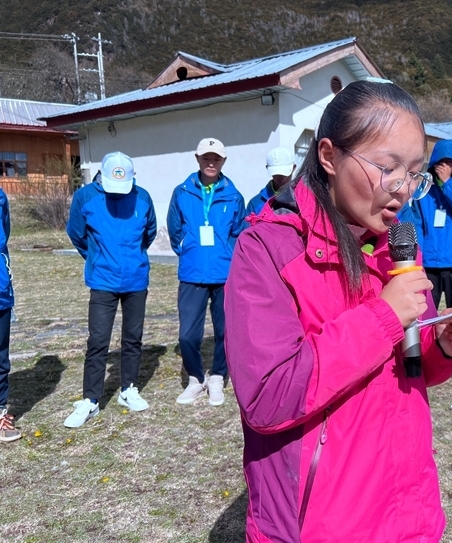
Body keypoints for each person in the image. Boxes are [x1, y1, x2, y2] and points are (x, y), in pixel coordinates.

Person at [224, 80, 452, 543]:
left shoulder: (398, 247)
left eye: (414, 174)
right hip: (319, 535)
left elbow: (411, 368)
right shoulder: (266, 250)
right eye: (387, 168)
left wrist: (445, 346)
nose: (403, 189)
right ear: (328, 155)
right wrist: (383, 316)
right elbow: (267, 396)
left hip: (400, 512)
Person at [64, 152, 157, 428]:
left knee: (133, 337)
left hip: (135, 279)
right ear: (101, 177)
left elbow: (149, 233)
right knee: (98, 340)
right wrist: (96, 256)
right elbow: (76, 233)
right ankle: (91, 399)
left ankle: (128, 389)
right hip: (102, 280)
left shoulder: (143, 197)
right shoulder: (85, 197)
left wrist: (132, 257)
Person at [398, 139, 452, 389]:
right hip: (430, 263)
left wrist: (447, 183)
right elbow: (414, 221)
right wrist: (418, 256)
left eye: (449, 162)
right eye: (440, 162)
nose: (444, 166)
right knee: (425, 315)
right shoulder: (424, 189)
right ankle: (424, 358)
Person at [167, 138, 246, 406]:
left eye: (216, 159)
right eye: (206, 158)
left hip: (224, 274)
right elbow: (174, 229)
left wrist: (228, 256)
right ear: (197, 159)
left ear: (223, 161)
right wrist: (188, 249)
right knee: (187, 335)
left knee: (225, 331)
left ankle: (218, 377)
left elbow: (239, 232)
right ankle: (196, 378)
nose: (211, 163)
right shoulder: (182, 192)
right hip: (192, 273)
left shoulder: (234, 196)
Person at [0, 188, 19, 443]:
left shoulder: (0, 197)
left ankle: (0, 412)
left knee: (0, 357)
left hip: (0, 289)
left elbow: (4, 233)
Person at [246, 147, 296, 215]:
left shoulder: (303, 200)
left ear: (294, 168)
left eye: (284, 173)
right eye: (276, 173)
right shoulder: (255, 204)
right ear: (267, 168)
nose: (280, 177)